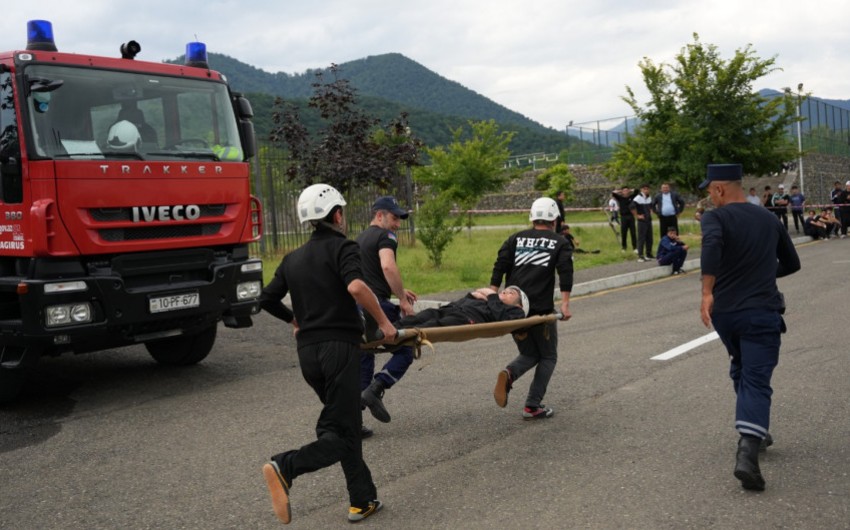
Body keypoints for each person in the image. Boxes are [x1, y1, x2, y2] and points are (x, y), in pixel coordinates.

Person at [259, 183, 395, 524]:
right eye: (343, 212)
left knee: (346, 425)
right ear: (336, 215)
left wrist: (296, 320)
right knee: (338, 432)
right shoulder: (343, 247)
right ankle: (286, 466)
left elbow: (266, 299)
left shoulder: (292, 258)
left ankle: (362, 500)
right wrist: (384, 324)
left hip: (309, 356)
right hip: (339, 351)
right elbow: (356, 286)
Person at [698, 163, 800, 492]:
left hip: (726, 315)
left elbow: (712, 246)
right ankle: (747, 452)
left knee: (741, 367)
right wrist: (762, 275)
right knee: (756, 378)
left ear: (719, 189)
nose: (710, 197)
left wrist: (707, 292)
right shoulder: (769, 218)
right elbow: (792, 263)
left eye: (709, 191)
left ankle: (757, 429)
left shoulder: (716, 217)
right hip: (761, 313)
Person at [490, 197, 573, 419]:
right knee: (548, 356)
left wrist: (492, 295)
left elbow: (500, 265)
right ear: (555, 219)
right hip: (540, 311)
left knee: (529, 352)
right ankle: (532, 405)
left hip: (513, 310)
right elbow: (565, 272)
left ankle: (509, 373)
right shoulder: (559, 242)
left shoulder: (515, 238)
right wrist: (565, 305)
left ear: (532, 218)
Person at [356, 196, 417, 435]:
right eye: (394, 218)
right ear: (379, 215)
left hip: (356, 307)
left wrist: (399, 290)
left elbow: (367, 275)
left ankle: (354, 422)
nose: (397, 224)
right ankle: (378, 387)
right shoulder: (385, 237)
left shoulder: (359, 238)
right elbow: (387, 267)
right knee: (406, 347)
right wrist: (401, 299)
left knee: (365, 354)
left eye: (399, 219)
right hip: (376, 307)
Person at [395, 286, 527, 328]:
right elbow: (461, 303)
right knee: (424, 315)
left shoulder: (515, 312)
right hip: (452, 309)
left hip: (466, 319)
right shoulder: (489, 302)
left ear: (520, 305)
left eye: (511, 293)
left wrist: (492, 294)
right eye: (506, 289)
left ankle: (403, 334)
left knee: (435, 324)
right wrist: (471, 296)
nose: (505, 291)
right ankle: (390, 329)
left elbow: (501, 319)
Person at [630, 184, 654, 262]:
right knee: (641, 238)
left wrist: (651, 211)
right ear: (641, 190)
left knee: (649, 237)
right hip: (642, 221)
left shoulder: (649, 197)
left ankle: (648, 253)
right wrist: (637, 216)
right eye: (644, 189)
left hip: (648, 220)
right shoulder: (638, 198)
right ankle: (640, 255)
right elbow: (631, 207)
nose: (646, 190)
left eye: (647, 189)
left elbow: (650, 206)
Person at [611, 186, 638, 252]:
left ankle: (635, 247)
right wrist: (620, 191)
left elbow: (637, 191)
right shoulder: (620, 198)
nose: (625, 192)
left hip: (631, 216)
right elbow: (613, 193)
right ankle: (624, 247)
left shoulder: (631, 197)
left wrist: (630, 190)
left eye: (627, 190)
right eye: (624, 191)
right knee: (624, 232)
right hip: (623, 217)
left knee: (633, 232)